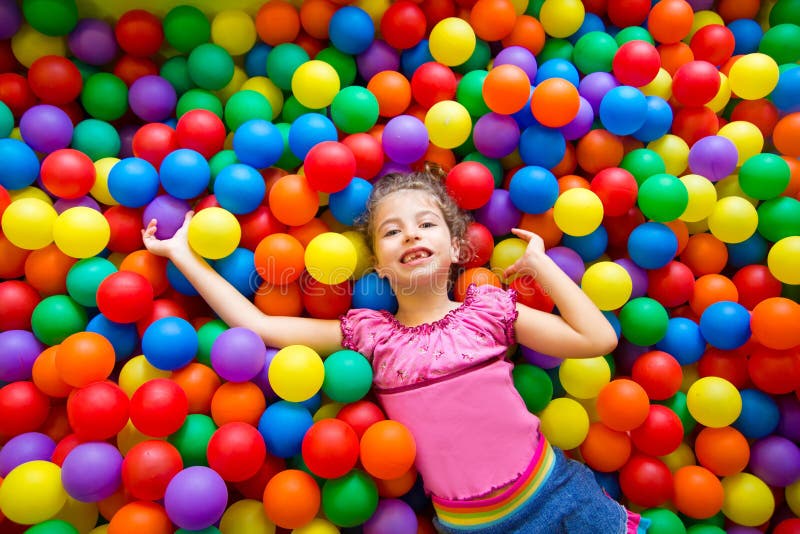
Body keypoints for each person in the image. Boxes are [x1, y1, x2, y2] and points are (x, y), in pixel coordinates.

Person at [143, 168, 649, 533]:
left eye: (426, 224)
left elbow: (596, 339)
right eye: (391, 231)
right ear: (380, 267)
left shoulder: (490, 309)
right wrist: (183, 254)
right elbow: (256, 323)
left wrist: (541, 265)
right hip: (471, 526)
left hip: (559, 498)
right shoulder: (372, 335)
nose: (410, 233)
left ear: (456, 248)